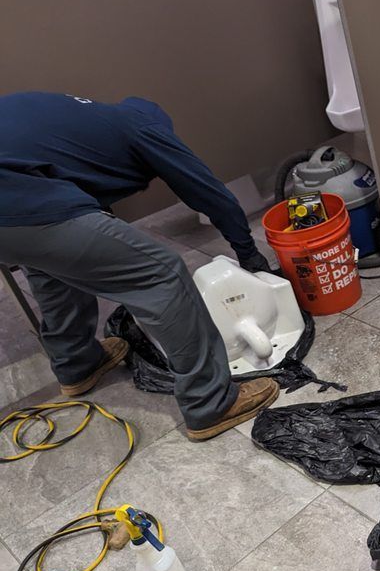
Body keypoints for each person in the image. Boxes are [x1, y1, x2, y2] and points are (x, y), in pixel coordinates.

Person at [0, 91, 279, 440]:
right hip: (15, 199)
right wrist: (249, 253)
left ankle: (78, 365)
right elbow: (209, 192)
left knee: (47, 264)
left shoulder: (83, 123)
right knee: (160, 273)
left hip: (16, 206)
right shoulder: (143, 129)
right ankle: (212, 402)